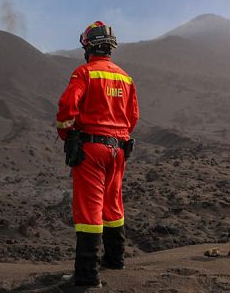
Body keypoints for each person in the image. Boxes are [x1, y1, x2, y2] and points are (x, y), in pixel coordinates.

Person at [56, 21, 139, 287]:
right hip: (118, 150)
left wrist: (68, 137)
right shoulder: (126, 78)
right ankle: (115, 260)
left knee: (89, 208)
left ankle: (87, 276)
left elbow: (67, 109)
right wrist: (118, 136)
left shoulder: (84, 74)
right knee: (112, 204)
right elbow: (132, 117)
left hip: (91, 149)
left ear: (88, 46)